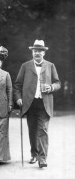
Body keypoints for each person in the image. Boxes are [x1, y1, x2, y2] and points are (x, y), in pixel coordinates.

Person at [14, 39, 61, 168]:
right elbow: (17, 85)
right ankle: (34, 154)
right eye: (35, 51)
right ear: (32, 52)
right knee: (32, 130)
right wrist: (18, 98)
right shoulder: (25, 66)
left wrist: (51, 87)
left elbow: (58, 83)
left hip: (44, 103)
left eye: (39, 51)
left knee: (43, 130)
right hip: (30, 103)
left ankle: (42, 158)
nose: (37, 53)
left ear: (44, 53)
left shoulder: (50, 66)